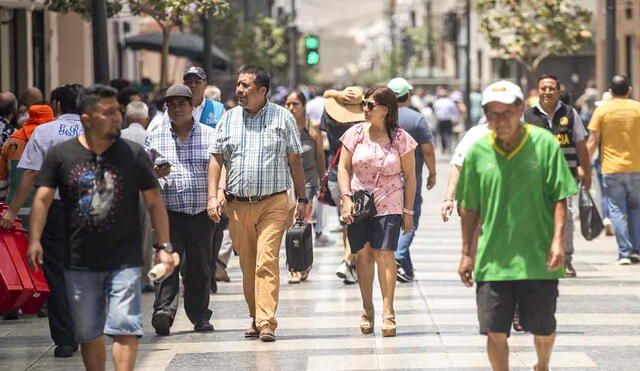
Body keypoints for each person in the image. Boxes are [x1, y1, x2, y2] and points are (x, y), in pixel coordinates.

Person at [27, 84, 175, 370]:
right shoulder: (62, 155)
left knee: (124, 326)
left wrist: (164, 246)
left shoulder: (133, 153)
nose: (116, 118)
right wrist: (35, 239)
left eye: (116, 112)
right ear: (86, 118)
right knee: (89, 332)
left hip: (125, 257)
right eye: (106, 113)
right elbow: (43, 199)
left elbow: (155, 202)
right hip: (80, 259)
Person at [456, 80, 578, 371]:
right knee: (495, 331)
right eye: (492, 114)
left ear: (521, 109)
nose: (500, 120)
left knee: (544, 328)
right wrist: (465, 252)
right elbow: (469, 206)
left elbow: (559, 196)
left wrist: (558, 241)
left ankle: (542, 365)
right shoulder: (477, 152)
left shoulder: (544, 143)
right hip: (493, 258)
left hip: (538, 257)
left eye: (506, 112)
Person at [207, 65, 306, 342]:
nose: (239, 90)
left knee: (266, 260)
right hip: (237, 205)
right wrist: (213, 196)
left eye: (245, 86)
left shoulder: (283, 118)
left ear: (262, 91)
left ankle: (266, 321)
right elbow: (216, 158)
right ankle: (255, 316)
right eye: (238, 85)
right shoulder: (228, 119)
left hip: (273, 203)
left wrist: (302, 198)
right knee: (249, 264)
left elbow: (295, 160)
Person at [0, 84, 84, 355]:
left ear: (57, 105)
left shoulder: (44, 132)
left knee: (57, 273)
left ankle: (65, 339)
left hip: (54, 210)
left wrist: (12, 211)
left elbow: (30, 175)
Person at [338, 85, 417, 338]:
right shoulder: (354, 133)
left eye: (370, 105)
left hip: (390, 204)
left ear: (386, 109)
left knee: (386, 254)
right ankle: (366, 309)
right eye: (364, 104)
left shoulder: (401, 138)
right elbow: (343, 169)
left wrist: (408, 211)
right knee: (363, 256)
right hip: (359, 205)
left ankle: (388, 312)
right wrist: (346, 198)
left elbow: (411, 176)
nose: (365, 109)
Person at [145, 84, 218, 336]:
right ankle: (163, 312)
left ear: (191, 106)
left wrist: (217, 198)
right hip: (168, 214)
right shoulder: (155, 137)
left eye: (181, 104)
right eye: (171, 105)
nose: (176, 109)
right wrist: (155, 173)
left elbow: (219, 169)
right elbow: (144, 177)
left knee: (199, 267)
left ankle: (199, 316)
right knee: (167, 264)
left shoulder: (210, 135)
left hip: (200, 213)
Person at [524, 74, 592, 278]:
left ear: (558, 91)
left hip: (566, 175)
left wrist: (586, 172)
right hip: (535, 176)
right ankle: (540, 256)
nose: (547, 92)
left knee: (567, 216)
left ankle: (566, 259)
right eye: (543, 88)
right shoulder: (527, 116)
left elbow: (581, 145)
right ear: (538, 91)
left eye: (551, 88)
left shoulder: (570, 114)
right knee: (536, 216)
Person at [386, 77, 436, 282]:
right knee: (410, 221)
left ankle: (407, 270)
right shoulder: (416, 119)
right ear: (408, 95)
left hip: (385, 182)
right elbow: (428, 150)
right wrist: (432, 172)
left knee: (395, 221)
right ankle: (398, 257)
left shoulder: (382, 118)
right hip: (410, 180)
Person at [587, 75, 640, 265]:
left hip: (612, 168)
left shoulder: (602, 111)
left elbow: (593, 141)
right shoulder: (638, 109)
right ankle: (635, 250)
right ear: (630, 90)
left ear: (610, 92)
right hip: (636, 167)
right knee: (636, 209)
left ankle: (624, 252)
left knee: (617, 210)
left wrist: (583, 164)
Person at [322, 87, 365, 285]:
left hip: (334, 176)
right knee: (356, 222)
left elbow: (326, 96)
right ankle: (348, 261)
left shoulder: (329, 118)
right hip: (355, 177)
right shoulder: (360, 124)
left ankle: (351, 264)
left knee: (346, 220)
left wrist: (335, 95)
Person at [284, 90, 328, 283]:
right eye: (288, 104)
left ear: (304, 106)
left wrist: (322, 180)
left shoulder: (313, 128)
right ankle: (297, 262)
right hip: (287, 183)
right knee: (290, 226)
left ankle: (299, 266)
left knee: (300, 220)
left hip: (308, 182)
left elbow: (319, 156)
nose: (291, 108)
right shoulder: (283, 127)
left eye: (295, 104)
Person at [121, 101, 154, 293]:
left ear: (126, 118)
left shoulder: (117, 137)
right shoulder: (151, 136)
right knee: (145, 235)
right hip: (145, 190)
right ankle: (145, 278)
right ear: (146, 119)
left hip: (121, 190)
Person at [0, 104, 54, 203]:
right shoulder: (54, 141)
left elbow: (2, 178)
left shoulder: (11, 141)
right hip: (45, 208)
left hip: (13, 209)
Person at [433, 87, 459, 154]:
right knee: (448, 134)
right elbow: (455, 111)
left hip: (440, 120)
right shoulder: (450, 102)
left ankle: (444, 148)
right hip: (448, 120)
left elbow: (435, 112)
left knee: (441, 135)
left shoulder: (437, 102)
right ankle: (449, 147)